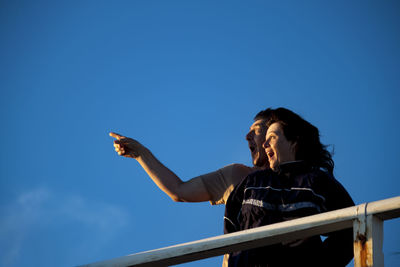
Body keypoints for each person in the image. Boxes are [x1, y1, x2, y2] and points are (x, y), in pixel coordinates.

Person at [224, 107, 355, 267]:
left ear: (294, 142)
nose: (264, 144)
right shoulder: (251, 183)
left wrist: (319, 261)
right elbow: (230, 230)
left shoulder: (318, 182)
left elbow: (351, 228)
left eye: (271, 137)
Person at [109, 109, 271, 205]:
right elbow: (179, 191)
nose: (247, 136)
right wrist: (140, 153)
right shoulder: (238, 176)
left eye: (257, 130)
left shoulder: (297, 182)